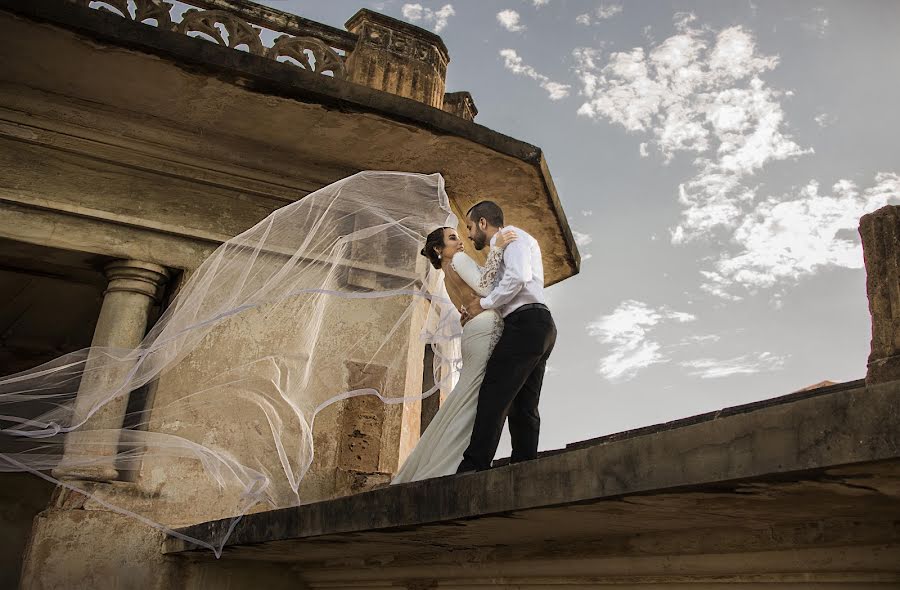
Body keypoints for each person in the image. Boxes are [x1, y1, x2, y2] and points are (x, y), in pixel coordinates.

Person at [392, 225, 516, 483]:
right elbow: (484, 287)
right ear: (439, 249)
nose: (460, 243)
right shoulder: (459, 261)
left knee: (465, 395)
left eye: (459, 237)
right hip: (485, 329)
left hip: (471, 332)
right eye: (452, 238)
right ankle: (450, 462)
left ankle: (440, 457)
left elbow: (467, 303)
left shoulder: (446, 276)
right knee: (475, 398)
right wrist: (497, 250)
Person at [457, 200, 557, 473]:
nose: (468, 234)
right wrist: (478, 308)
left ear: (482, 223)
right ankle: (524, 466)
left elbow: (519, 277)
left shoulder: (512, 237)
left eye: (469, 227)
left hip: (527, 323)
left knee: (494, 393)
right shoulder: (504, 245)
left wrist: (485, 304)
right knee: (525, 404)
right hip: (539, 324)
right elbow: (504, 284)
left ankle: (473, 466)